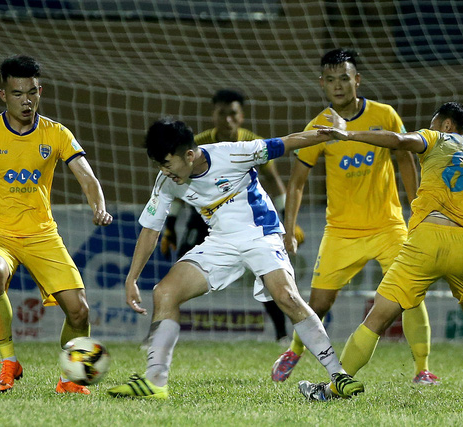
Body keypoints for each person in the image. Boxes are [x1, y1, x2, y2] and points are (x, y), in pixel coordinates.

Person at [297, 102, 463, 402]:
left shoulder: (436, 139)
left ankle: (331, 390)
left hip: (426, 240)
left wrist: (347, 135)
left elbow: (397, 141)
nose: (430, 128)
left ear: (447, 125)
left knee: (377, 319)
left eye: (434, 124)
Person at [107, 116, 362, 400]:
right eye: (158, 165)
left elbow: (286, 143)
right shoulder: (167, 181)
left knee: (287, 297)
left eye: (166, 164)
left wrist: (329, 134)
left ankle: (338, 375)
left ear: (189, 155)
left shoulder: (233, 153)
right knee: (165, 292)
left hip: (260, 234)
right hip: (220, 242)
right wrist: (132, 278)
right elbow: (151, 230)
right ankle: (155, 381)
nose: (163, 171)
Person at [0, 55, 113, 395]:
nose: (27, 101)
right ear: (3, 94)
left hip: (42, 235)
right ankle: (8, 362)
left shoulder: (56, 133)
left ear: (40, 90)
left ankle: (69, 380)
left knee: (79, 311)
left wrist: (100, 206)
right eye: (18, 93)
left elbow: (87, 177)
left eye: (32, 92)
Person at [271, 48, 437, 385]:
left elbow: (405, 159)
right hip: (341, 231)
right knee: (318, 302)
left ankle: (422, 369)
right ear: (322, 84)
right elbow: (298, 181)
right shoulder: (319, 126)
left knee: (411, 293)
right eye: (330, 80)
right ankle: (293, 352)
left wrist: (416, 209)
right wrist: (288, 231)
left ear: (356, 79)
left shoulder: (384, 115)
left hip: (389, 225)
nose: (338, 86)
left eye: (344, 78)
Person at [159, 89, 295, 343]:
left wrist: (289, 221)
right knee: (180, 269)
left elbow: (275, 183)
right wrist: (170, 226)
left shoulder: (252, 143)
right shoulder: (196, 145)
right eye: (222, 114)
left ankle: (281, 334)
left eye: (233, 114)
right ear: (214, 115)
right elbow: (175, 188)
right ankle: (167, 335)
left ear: (241, 116)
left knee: (264, 274)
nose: (227, 120)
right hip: (203, 217)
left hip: (245, 221)